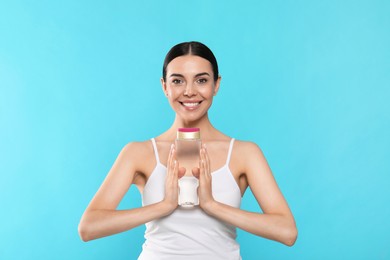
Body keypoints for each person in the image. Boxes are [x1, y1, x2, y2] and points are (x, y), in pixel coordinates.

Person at [78, 41, 298, 259]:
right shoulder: (138, 153)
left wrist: (212, 205)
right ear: (165, 86)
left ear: (216, 85)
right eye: (178, 81)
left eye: (201, 80)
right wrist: (163, 206)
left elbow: (287, 232)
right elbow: (89, 227)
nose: (190, 91)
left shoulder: (245, 153)